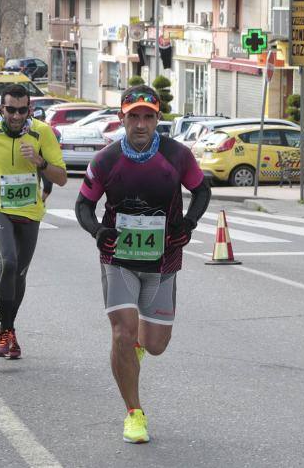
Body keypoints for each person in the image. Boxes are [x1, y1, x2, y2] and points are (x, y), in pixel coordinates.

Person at [75, 84, 211, 444]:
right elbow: (83, 206)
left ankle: (135, 348)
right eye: (133, 116)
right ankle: (134, 414)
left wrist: (189, 223)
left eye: (147, 117)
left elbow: (202, 190)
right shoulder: (105, 159)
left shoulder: (177, 155)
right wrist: (97, 231)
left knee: (154, 345)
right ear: (122, 118)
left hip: (163, 259)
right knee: (122, 332)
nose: (140, 124)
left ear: (157, 119)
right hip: (117, 258)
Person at [0, 84, 67, 359]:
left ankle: (9, 331)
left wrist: (40, 162)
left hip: (30, 210)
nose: (17, 116)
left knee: (20, 272)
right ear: (2, 109)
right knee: (8, 261)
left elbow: (61, 177)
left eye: (23, 110)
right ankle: (5, 329)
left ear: (30, 110)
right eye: (11, 110)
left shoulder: (42, 133)